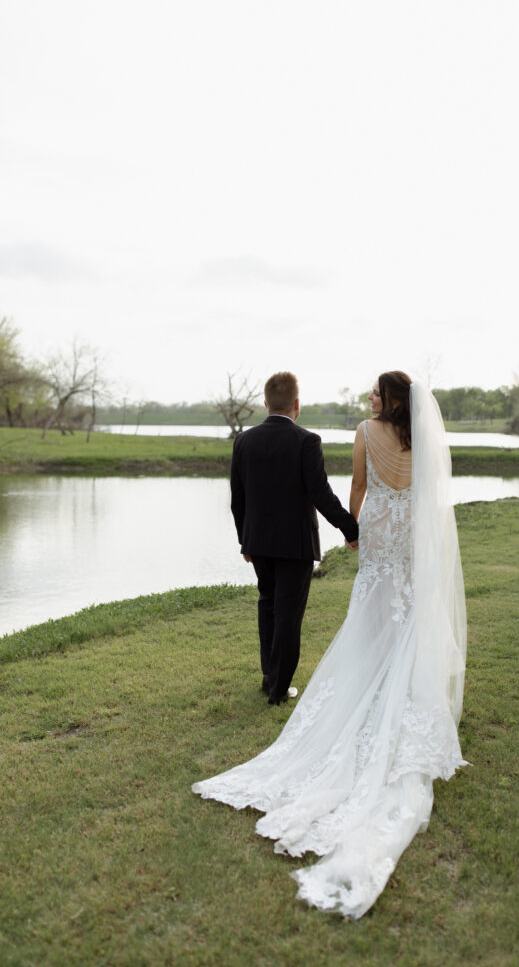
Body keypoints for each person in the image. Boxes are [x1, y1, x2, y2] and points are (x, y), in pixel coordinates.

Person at [193, 371, 467, 918]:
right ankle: (339, 679)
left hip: (358, 531)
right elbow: (422, 494)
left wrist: (355, 525)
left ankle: (284, 680)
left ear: (386, 399)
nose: (368, 399)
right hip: (404, 530)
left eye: (373, 393)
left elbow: (354, 487)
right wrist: (355, 527)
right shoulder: (413, 438)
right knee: (406, 607)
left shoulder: (350, 432)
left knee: (320, 606)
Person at [229, 371, 359, 705]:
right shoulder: (307, 441)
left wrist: (245, 540)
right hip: (295, 544)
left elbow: (237, 498)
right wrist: (350, 527)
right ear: (297, 405)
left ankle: (270, 678)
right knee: (288, 613)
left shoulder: (244, 440)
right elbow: (320, 493)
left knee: (268, 605)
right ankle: (278, 689)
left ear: (265, 403)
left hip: (258, 542)